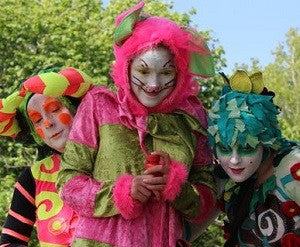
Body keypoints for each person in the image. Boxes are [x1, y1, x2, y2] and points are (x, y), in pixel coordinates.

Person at [56, 1, 217, 246]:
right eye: (143, 71)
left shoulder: (191, 118)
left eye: (166, 73)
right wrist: (121, 193)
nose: (153, 84)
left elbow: (206, 200)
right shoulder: (100, 104)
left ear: (180, 73)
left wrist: (177, 187)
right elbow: (68, 183)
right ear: (126, 65)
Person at [0, 67, 94, 247]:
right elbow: (9, 242)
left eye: (54, 109)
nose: (48, 123)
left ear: (76, 108)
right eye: (37, 120)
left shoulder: (115, 156)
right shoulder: (33, 178)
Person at [208, 70, 300, 246]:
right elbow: (186, 230)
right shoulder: (226, 178)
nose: (234, 160)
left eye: (247, 148)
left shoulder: (293, 166)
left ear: (265, 141)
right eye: (225, 149)